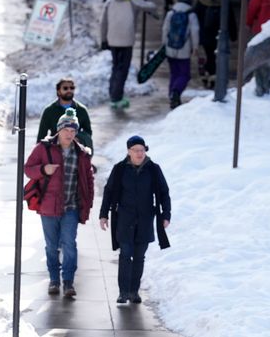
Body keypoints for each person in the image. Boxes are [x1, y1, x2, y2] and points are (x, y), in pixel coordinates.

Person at [25, 108, 95, 298]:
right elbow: (28, 169)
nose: (70, 134)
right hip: (48, 207)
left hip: (71, 208)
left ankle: (69, 282)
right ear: (59, 130)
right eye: (67, 130)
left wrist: (88, 203)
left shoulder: (81, 153)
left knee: (70, 244)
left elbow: (88, 179)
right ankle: (54, 280)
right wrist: (43, 169)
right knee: (51, 246)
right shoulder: (44, 148)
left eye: (73, 131)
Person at [99, 135, 171, 304]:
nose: (139, 153)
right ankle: (123, 292)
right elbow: (109, 192)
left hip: (145, 219)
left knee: (139, 257)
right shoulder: (119, 169)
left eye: (142, 150)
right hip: (124, 219)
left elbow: (164, 192)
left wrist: (166, 215)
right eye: (136, 150)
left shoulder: (153, 169)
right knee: (125, 255)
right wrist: (103, 214)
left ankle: (134, 291)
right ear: (128, 151)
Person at [100, 0, 155, 109]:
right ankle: (116, 97)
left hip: (112, 40)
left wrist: (103, 40)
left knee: (115, 67)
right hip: (126, 41)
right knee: (122, 70)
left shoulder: (109, 2)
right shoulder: (132, 2)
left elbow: (103, 23)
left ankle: (113, 93)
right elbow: (151, 6)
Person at [194, 0, 237, 88]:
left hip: (204, 34)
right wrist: (233, 35)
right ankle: (213, 76)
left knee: (207, 55)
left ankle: (207, 75)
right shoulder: (224, 2)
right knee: (215, 56)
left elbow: (195, 18)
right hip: (218, 34)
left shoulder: (201, 1)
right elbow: (230, 19)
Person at [162, 0, 200, 109]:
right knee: (185, 74)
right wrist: (195, 47)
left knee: (174, 73)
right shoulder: (191, 14)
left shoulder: (171, 13)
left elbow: (165, 29)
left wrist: (164, 45)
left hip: (170, 48)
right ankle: (176, 92)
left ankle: (171, 95)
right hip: (184, 49)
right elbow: (195, 31)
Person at [37, 77, 93, 153]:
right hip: (55, 149)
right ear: (58, 91)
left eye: (72, 88)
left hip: (76, 149)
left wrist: (78, 138)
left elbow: (88, 132)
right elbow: (41, 136)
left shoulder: (81, 110)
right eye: (65, 88)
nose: (69, 90)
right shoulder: (49, 111)